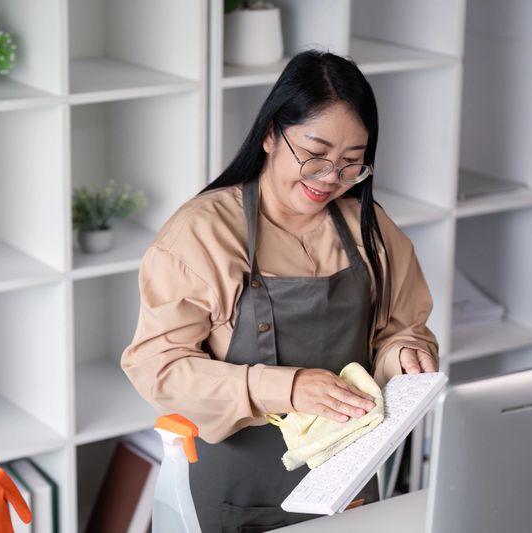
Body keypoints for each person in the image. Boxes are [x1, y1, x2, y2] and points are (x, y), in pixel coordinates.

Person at [121, 50, 439, 532]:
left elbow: (402, 328)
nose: (330, 179)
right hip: (236, 499)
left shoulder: (368, 229)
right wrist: (285, 388)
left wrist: (405, 354)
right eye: (315, 156)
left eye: (351, 164)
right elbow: (158, 369)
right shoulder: (203, 234)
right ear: (271, 134)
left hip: (349, 491)